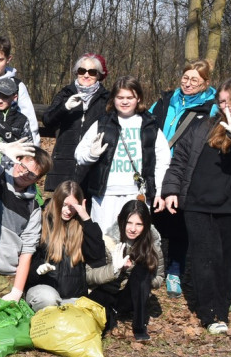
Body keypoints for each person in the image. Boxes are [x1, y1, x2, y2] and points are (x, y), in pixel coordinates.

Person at [161, 78, 231, 335]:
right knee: (203, 258)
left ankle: (221, 310)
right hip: (198, 204)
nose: (223, 105)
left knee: (226, 260)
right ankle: (210, 314)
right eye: (220, 101)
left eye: (229, 100)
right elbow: (180, 160)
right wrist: (171, 189)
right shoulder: (203, 126)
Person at [148, 59, 218, 297]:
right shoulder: (165, 101)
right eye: (185, 78)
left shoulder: (212, 108)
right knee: (151, 218)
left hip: (185, 172)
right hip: (156, 169)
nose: (188, 84)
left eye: (195, 80)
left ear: (206, 83)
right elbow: (145, 124)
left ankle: (174, 272)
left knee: (179, 223)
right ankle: (149, 266)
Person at [74, 76, 170, 232]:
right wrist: (91, 154)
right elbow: (79, 154)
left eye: (129, 97)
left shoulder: (149, 125)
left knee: (134, 238)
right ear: (113, 99)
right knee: (104, 238)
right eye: (120, 97)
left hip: (136, 193)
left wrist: (159, 190)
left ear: (138, 98)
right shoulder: (102, 123)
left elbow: (162, 160)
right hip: (105, 194)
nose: (125, 102)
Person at [0, 148, 53, 303]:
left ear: (38, 179)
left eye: (31, 174)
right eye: (23, 166)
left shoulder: (33, 209)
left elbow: (27, 251)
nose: (24, 173)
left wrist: (17, 291)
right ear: (17, 159)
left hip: (6, 277)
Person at [86, 201, 164, 341]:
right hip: (107, 290)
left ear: (146, 225)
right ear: (121, 220)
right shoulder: (108, 242)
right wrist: (115, 269)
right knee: (96, 320)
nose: (133, 229)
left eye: (139, 224)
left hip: (131, 295)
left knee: (142, 270)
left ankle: (139, 326)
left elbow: (159, 278)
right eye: (129, 223)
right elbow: (89, 276)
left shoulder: (153, 246)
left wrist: (138, 278)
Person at [25, 180, 107, 311]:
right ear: (56, 201)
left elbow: (97, 256)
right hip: (43, 290)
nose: (68, 211)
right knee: (49, 298)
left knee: (87, 312)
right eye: (64, 205)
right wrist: (38, 268)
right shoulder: (42, 221)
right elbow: (27, 258)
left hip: (72, 296)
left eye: (73, 207)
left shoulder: (81, 226)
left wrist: (86, 218)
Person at [39, 53, 110, 191]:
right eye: (82, 71)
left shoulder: (106, 99)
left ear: (99, 75)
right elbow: (48, 120)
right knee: (62, 206)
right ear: (76, 73)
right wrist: (64, 107)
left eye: (92, 72)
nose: (86, 75)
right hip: (64, 160)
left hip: (93, 161)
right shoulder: (66, 93)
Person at [0, 76, 33, 155]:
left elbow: (28, 148)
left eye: (5, 97)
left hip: (14, 165)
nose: (0, 101)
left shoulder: (22, 120)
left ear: (14, 97)